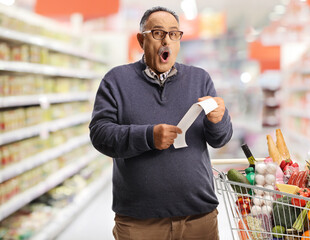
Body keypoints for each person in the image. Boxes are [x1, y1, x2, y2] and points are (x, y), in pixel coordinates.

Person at [89, 6, 233, 240]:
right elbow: (100, 135)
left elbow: (220, 139)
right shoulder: (116, 80)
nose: (167, 40)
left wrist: (219, 120)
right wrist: (148, 137)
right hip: (139, 222)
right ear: (141, 39)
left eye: (174, 34)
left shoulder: (200, 78)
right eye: (157, 33)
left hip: (199, 218)